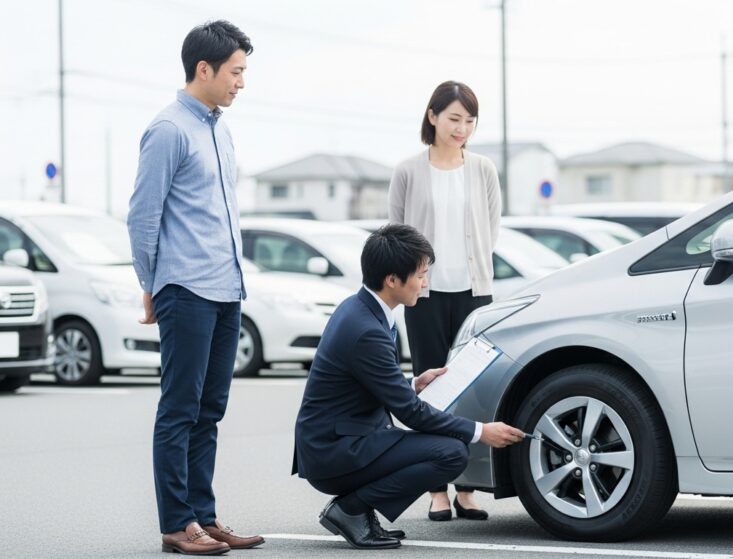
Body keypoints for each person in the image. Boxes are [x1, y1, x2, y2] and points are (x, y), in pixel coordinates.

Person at [292, 224, 524, 550]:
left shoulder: (360, 308)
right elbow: (411, 414)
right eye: (420, 275)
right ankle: (351, 509)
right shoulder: (366, 329)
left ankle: (359, 511)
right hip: (335, 453)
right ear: (392, 279)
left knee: (445, 446)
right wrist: (480, 431)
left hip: (341, 440)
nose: (425, 283)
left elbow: (366, 381)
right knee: (451, 453)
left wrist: (413, 383)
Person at [127, 20, 263, 556]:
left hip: (226, 289)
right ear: (203, 69)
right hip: (185, 289)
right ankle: (177, 523)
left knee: (210, 410)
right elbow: (143, 218)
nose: (241, 83)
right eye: (236, 72)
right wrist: (151, 285)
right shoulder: (168, 129)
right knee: (180, 409)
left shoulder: (219, 129)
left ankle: (203, 516)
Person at [388, 80, 502, 521]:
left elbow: (490, 228)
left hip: (474, 291)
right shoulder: (407, 170)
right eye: (454, 118)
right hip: (424, 295)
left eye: (470, 121)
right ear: (432, 116)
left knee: (473, 386)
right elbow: (396, 233)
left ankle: (467, 487)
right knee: (431, 388)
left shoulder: (483, 169)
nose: (462, 128)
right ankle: (435, 488)